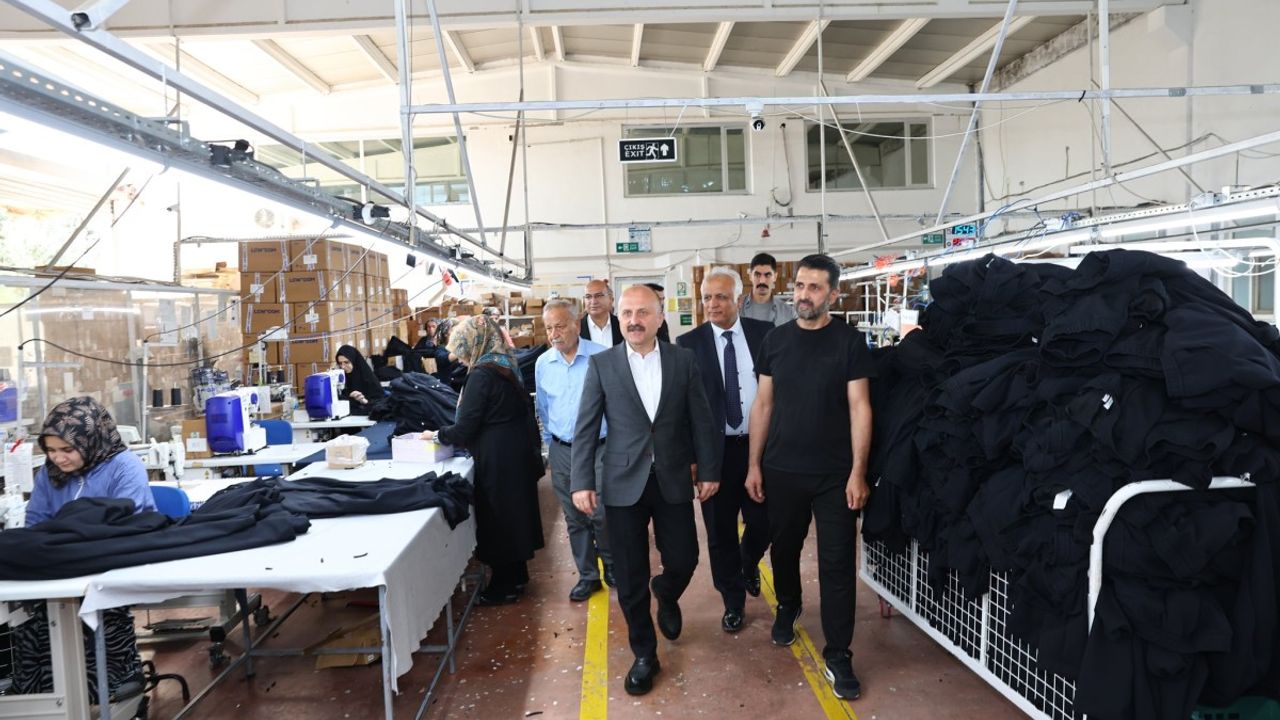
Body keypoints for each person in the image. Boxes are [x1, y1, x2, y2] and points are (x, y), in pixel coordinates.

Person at [571, 285, 720, 696]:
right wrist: (581, 481)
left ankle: (667, 592)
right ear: (619, 318)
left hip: (671, 476)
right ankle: (644, 654)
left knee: (685, 558)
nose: (634, 320)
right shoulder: (602, 365)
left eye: (642, 312)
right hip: (622, 482)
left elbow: (701, 420)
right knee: (630, 574)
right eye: (627, 313)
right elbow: (586, 426)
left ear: (659, 317)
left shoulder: (682, 360)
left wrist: (709, 470)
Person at [745, 253, 874, 701]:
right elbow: (763, 405)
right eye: (800, 286)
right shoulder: (775, 341)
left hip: (836, 475)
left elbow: (860, 408)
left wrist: (858, 472)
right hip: (782, 469)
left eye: (814, 287)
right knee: (784, 549)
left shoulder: (850, 343)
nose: (804, 295)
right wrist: (754, 464)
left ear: (833, 294)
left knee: (837, 564)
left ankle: (838, 653)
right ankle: (789, 605)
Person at [17, 396, 154, 699]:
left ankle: (119, 678)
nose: (58, 459)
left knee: (103, 608)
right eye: (50, 450)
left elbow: (126, 523)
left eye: (67, 450)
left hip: (114, 560)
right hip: (63, 564)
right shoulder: (49, 475)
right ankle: (42, 692)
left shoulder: (124, 467)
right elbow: (35, 524)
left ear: (91, 439)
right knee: (32, 615)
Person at [676, 267, 772, 633]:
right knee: (720, 532)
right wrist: (693, 459)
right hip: (714, 454)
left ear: (739, 299)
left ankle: (748, 562)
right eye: (706, 298)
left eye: (720, 297)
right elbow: (682, 408)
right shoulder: (688, 344)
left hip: (759, 449)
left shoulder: (765, 335)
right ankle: (733, 601)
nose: (713, 304)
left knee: (765, 521)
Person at [426, 315, 544, 605]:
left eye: (462, 350)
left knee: (498, 519)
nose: (461, 358)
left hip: (497, 456)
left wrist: (436, 435)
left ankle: (502, 587)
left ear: (475, 343)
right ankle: (517, 577)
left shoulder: (481, 375)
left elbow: (464, 428)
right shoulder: (504, 364)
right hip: (514, 451)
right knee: (513, 514)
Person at [534, 299, 615, 602]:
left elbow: (615, 405)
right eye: (548, 328)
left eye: (560, 326)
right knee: (574, 516)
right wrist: (550, 444)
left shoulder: (601, 357)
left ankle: (611, 565)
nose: (554, 334)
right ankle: (587, 575)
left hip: (598, 448)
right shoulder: (543, 363)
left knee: (601, 510)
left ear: (576, 324)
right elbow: (543, 407)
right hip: (562, 450)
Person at [741, 252, 797, 326]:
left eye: (767, 275)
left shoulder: (788, 313)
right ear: (750, 276)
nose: (762, 281)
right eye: (757, 275)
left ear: (775, 277)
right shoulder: (737, 308)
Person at [335, 344, 385, 416]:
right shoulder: (341, 378)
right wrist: (349, 398)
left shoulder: (368, 378)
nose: (343, 366)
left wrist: (364, 401)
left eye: (346, 362)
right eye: (340, 363)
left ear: (354, 361)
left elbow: (381, 403)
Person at [581, 279, 623, 346]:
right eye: (588, 297)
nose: (593, 301)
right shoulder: (576, 328)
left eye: (599, 295)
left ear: (611, 299)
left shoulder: (622, 325)